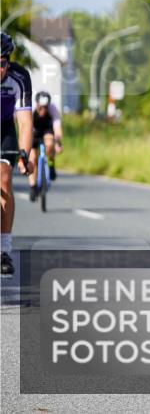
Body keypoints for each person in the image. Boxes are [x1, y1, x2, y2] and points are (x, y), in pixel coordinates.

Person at [0, 32, 36, 276]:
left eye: (2, 64)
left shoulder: (20, 77)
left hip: (4, 129)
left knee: (3, 179)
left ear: (8, 62)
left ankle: (4, 249)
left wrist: (24, 153)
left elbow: (24, 122)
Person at [29, 90, 64, 196]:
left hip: (47, 130)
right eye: (41, 107)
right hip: (34, 131)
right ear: (37, 104)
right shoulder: (31, 109)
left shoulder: (53, 109)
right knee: (33, 158)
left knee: (49, 144)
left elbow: (57, 128)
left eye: (46, 107)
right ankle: (33, 185)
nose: (43, 110)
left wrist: (58, 143)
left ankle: (51, 164)